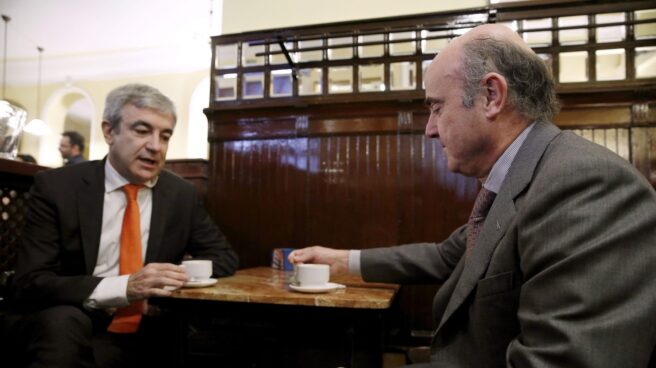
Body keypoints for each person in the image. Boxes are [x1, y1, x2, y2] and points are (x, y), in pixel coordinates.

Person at [290, 24, 656, 367]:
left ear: (491, 96)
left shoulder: (585, 186)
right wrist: (340, 261)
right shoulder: (524, 177)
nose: (430, 131)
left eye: (436, 107)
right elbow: (443, 256)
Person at [9, 83, 239, 368]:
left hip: (148, 322)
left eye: (164, 136)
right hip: (72, 316)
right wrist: (124, 287)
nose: (156, 146)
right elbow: (31, 282)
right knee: (62, 327)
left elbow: (224, 258)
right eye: (142, 131)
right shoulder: (59, 187)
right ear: (109, 132)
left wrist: (168, 277)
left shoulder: (181, 194)